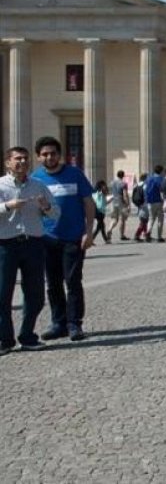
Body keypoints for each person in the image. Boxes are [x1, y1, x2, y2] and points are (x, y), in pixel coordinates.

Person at [32, 135, 96, 342]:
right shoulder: (36, 179)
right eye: (45, 154)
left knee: (73, 281)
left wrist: (89, 230)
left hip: (74, 237)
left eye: (53, 153)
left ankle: (74, 324)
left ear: (60, 155)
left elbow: (88, 203)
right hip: (47, 238)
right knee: (53, 283)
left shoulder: (75, 174)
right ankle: (58, 322)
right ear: (38, 157)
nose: (49, 157)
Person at [0, 146, 59, 355]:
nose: (22, 162)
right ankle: (4, 339)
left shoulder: (38, 185)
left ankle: (27, 336)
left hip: (33, 243)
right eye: (17, 159)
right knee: (2, 294)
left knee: (34, 294)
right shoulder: (0, 185)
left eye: (25, 159)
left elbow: (55, 214)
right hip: (5, 244)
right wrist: (7, 206)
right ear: (8, 162)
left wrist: (46, 207)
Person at [144, 165, 165, 242]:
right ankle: (159, 237)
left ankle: (148, 232)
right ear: (161, 171)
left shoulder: (148, 179)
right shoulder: (161, 179)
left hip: (149, 201)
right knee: (160, 219)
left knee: (151, 219)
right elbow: (162, 190)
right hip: (158, 201)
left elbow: (145, 188)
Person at [108, 170, 131, 241]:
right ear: (123, 176)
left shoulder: (112, 183)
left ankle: (109, 229)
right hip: (121, 202)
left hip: (114, 201)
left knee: (114, 219)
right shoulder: (123, 183)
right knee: (122, 219)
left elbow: (111, 192)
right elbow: (125, 194)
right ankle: (122, 235)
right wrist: (128, 204)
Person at [90, 179, 112, 244]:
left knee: (101, 226)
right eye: (104, 184)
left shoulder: (95, 192)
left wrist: (109, 200)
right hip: (99, 211)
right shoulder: (100, 192)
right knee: (100, 226)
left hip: (98, 210)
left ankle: (106, 240)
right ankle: (92, 239)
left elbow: (103, 202)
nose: (105, 186)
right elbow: (106, 192)